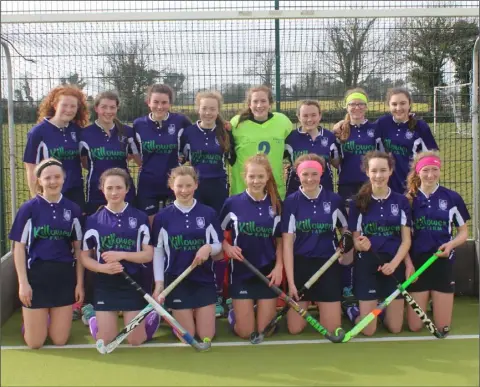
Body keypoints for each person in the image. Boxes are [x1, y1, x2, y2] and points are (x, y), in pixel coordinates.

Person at [9, 158, 84, 349]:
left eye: (57, 177)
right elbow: (18, 248)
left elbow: (78, 249)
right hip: (37, 277)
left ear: (63, 179)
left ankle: (46, 320)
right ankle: (33, 323)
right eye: (47, 177)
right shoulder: (28, 209)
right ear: (39, 181)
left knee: (59, 341)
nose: (53, 181)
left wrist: (80, 284)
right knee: (35, 343)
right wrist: (23, 283)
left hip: (63, 276)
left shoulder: (73, 209)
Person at [81, 168, 159, 346]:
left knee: (135, 341)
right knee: (107, 340)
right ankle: (95, 321)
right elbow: (85, 257)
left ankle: (150, 321)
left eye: (118, 187)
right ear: (102, 189)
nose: (114, 192)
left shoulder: (139, 218)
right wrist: (102, 268)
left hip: (132, 283)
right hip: (105, 285)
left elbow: (148, 255)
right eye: (109, 188)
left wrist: (122, 255)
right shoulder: (94, 220)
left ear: (127, 189)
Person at [179, 90, 236, 317]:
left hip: (219, 190)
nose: (209, 112)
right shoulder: (188, 133)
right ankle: (194, 289)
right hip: (195, 191)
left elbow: (231, 159)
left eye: (213, 109)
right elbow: (182, 161)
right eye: (205, 108)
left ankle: (219, 293)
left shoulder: (225, 132)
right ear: (198, 109)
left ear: (218, 110)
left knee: (217, 241)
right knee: (194, 238)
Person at [151, 166, 223, 343]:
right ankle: (165, 316)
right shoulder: (163, 217)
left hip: (204, 279)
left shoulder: (208, 213)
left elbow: (218, 245)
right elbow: (158, 251)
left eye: (189, 186)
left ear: (196, 185)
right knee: (188, 337)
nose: (184, 191)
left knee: (206, 336)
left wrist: (208, 248)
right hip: (177, 281)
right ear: (172, 186)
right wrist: (159, 284)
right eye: (179, 186)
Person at [345, 151, 414, 336]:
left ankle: (379, 311)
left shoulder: (401, 201)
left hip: (393, 263)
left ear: (391, 171)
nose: (378, 175)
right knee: (368, 330)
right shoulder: (358, 202)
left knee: (395, 328)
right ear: (367, 172)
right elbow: (356, 239)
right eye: (374, 171)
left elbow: (406, 240)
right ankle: (352, 310)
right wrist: (361, 244)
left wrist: (395, 264)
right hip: (367, 264)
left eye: (383, 170)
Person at [282, 154, 347, 334]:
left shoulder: (334, 201)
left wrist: (345, 248)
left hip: (328, 265)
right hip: (301, 265)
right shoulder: (290, 202)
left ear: (321, 174)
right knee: (295, 329)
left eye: (314, 174)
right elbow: (287, 245)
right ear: (298, 175)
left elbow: (346, 230)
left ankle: (344, 309)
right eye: (305, 174)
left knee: (332, 328)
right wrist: (292, 283)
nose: (309, 179)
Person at [220, 154, 283, 339]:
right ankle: (235, 314)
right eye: (252, 177)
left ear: (268, 177)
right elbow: (217, 233)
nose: (256, 181)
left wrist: (279, 266)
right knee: (246, 333)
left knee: (265, 331)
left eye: (261, 177)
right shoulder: (232, 203)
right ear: (244, 177)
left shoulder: (276, 205)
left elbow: (280, 239)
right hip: (241, 271)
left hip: (267, 272)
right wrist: (227, 247)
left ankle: (255, 310)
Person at [406, 151, 470, 331]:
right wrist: (409, 264)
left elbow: (463, 232)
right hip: (419, 264)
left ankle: (437, 303)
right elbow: (404, 237)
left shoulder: (452, 198)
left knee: (442, 326)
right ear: (418, 172)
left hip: (442, 262)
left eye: (435, 169)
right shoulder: (410, 200)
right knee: (414, 326)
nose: (430, 175)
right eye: (426, 170)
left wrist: (451, 245)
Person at [332, 88, 381, 300]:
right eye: (353, 104)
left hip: (370, 187)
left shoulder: (375, 129)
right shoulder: (341, 130)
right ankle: (346, 286)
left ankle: (371, 281)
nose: (357, 108)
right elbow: (335, 161)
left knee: (370, 232)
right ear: (347, 107)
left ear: (366, 107)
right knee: (348, 235)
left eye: (361, 104)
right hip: (347, 187)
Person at [23, 85, 89, 210]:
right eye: (64, 105)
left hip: (75, 192)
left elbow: (85, 160)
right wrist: (36, 197)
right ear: (55, 105)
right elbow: (31, 167)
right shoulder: (38, 132)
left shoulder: (77, 131)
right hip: (50, 192)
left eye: (73, 106)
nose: (69, 110)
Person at [133, 84, 192, 223]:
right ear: (148, 102)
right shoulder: (138, 124)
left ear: (170, 103)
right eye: (156, 102)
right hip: (148, 183)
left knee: (174, 223)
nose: (160, 107)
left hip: (175, 183)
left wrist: (183, 159)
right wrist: (143, 165)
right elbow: (133, 151)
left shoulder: (180, 121)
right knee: (151, 225)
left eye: (164, 102)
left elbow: (196, 136)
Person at [79, 91, 141, 216]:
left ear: (117, 108)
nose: (108, 111)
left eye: (112, 107)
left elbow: (137, 159)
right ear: (96, 108)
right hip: (96, 189)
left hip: (123, 188)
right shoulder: (85, 134)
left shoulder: (127, 132)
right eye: (104, 107)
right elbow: (84, 162)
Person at [230, 86, 292, 199]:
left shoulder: (283, 122)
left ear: (270, 104)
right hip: (243, 190)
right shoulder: (236, 123)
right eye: (255, 101)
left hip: (274, 188)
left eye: (263, 101)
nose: (259, 105)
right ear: (249, 104)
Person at [376, 87, 438, 194]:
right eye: (394, 104)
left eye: (403, 103)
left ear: (409, 104)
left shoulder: (420, 126)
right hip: (387, 185)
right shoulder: (382, 123)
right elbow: (364, 129)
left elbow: (433, 155)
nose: (398, 108)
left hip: (413, 185)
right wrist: (340, 125)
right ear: (389, 106)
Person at [284, 100, 339, 196]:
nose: (309, 119)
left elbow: (336, 163)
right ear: (298, 117)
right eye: (305, 116)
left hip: (324, 191)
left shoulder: (330, 137)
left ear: (320, 116)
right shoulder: (290, 138)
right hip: (296, 192)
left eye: (313, 115)